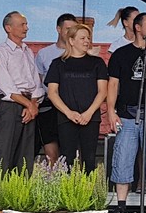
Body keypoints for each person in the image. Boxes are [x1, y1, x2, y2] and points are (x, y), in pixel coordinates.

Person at [105, 13, 146, 213]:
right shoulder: (121, 54)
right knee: (123, 157)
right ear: (137, 27)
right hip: (126, 114)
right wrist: (111, 111)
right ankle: (121, 206)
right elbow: (113, 84)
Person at [45, 23, 108, 171]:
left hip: (91, 117)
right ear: (71, 41)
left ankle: (88, 186)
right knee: (67, 159)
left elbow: (103, 91)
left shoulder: (97, 63)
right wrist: (68, 113)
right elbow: (52, 93)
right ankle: (68, 186)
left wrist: (89, 113)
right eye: (82, 38)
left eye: (88, 38)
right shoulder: (58, 64)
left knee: (89, 159)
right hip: (66, 118)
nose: (87, 41)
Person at [0, 11, 45, 171]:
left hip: (29, 103)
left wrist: (33, 104)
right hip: (10, 105)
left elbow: (35, 83)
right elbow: (6, 86)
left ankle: (21, 185)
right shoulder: (1, 51)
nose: (26, 28)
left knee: (25, 154)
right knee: (5, 151)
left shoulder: (28, 51)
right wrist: (30, 105)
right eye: (22, 24)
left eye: (26, 24)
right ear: (8, 28)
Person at [34, 13, 75, 165]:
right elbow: (37, 81)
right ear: (58, 29)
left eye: (74, 29)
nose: (70, 32)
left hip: (71, 106)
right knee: (51, 153)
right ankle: (53, 178)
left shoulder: (80, 53)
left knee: (72, 152)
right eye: (67, 28)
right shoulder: (44, 54)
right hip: (48, 106)